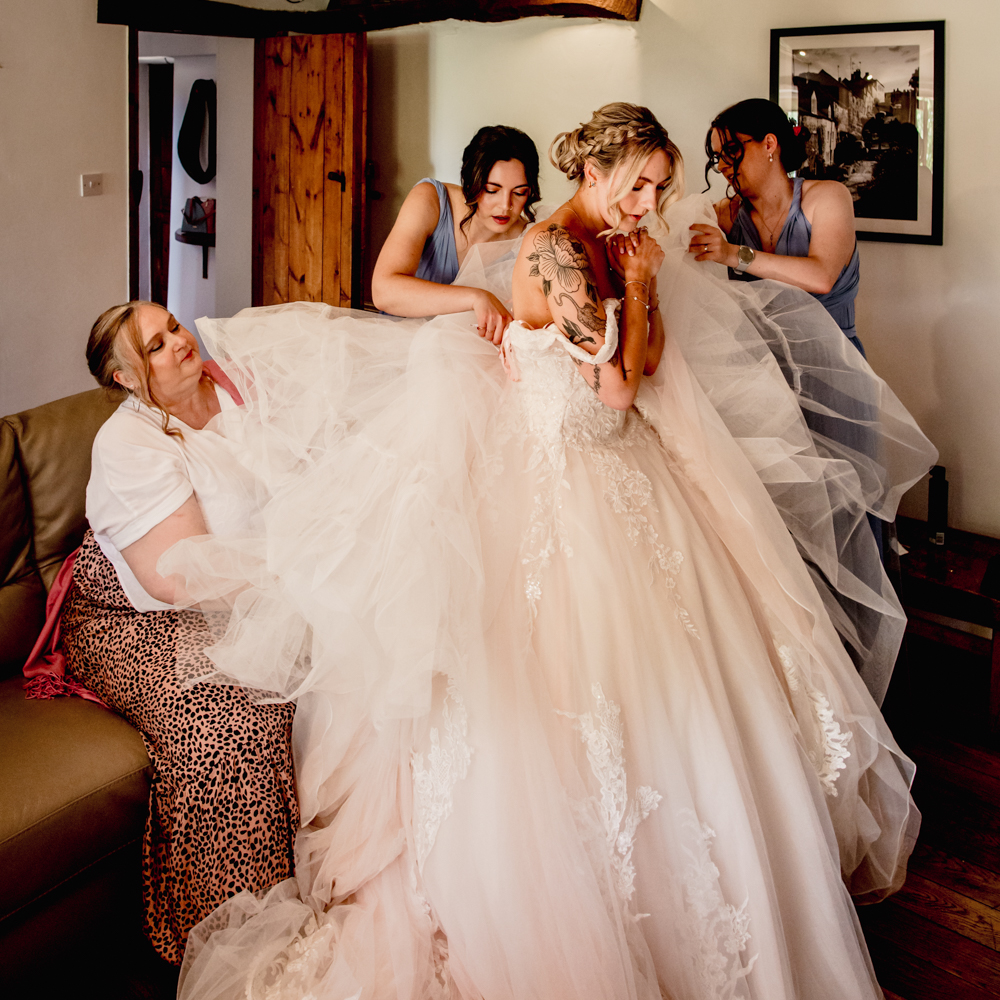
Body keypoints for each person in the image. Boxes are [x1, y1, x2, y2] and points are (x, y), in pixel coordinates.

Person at [168, 105, 933, 1000]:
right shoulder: (555, 254)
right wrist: (641, 288)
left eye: (659, 186)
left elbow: (645, 368)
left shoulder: (614, 242)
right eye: (638, 184)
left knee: (694, 683)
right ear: (595, 172)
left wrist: (642, 286)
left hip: (631, 480)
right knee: (570, 698)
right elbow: (614, 390)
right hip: (557, 487)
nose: (650, 203)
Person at [53, 302, 300, 965]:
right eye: (155, 346)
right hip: (133, 615)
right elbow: (179, 575)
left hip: (250, 583)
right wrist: (303, 575)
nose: (178, 342)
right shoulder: (127, 443)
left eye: (173, 328)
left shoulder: (233, 384)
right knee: (227, 707)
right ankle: (223, 931)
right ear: (128, 379)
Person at [690, 98, 864, 355]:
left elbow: (822, 277)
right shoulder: (726, 214)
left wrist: (732, 254)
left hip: (833, 365)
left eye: (731, 151)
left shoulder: (829, 197)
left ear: (769, 144)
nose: (723, 166)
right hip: (759, 372)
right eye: (718, 157)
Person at [371, 124, 540, 344]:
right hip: (394, 346)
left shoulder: (528, 241)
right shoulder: (431, 200)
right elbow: (383, 292)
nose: (505, 205)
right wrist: (475, 297)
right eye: (492, 190)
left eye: (519, 193)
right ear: (471, 182)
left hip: (462, 359)